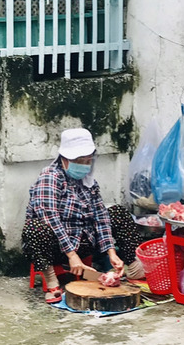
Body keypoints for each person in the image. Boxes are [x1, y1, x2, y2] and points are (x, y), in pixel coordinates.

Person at [22, 128, 145, 304]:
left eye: (88, 161)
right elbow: (50, 218)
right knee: (35, 228)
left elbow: (101, 216)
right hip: (57, 247)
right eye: (79, 161)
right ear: (64, 159)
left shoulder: (89, 182)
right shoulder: (50, 177)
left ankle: (133, 268)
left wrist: (111, 253)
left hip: (84, 242)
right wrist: (71, 255)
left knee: (117, 212)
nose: (84, 165)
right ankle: (52, 281)